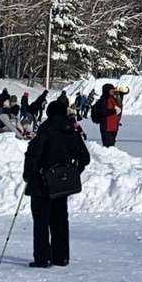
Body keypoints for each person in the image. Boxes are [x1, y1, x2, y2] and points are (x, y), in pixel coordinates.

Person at [22, 102, 91, 269]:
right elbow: (85, 158)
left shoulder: (45, 130)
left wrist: (28, 176)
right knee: (60, 220)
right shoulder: (72, 131)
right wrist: (72, 172)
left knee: (41, 222)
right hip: (62, 185)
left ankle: (43, 258)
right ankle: (61, 257)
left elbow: (33, 155)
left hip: (41, 183)